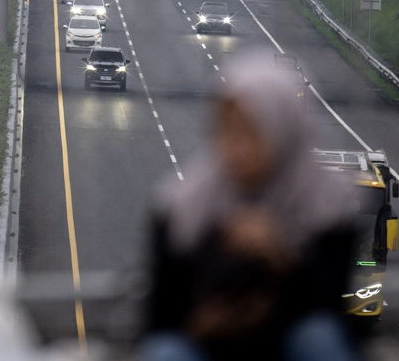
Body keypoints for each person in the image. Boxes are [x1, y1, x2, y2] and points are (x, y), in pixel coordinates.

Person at [141, 50, 361, 361]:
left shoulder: (329, 205)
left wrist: (280, 254)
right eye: (226, 130)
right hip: (207, 344)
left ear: (285, 132)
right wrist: (206, 318)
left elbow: (336, 311)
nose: (235, 148)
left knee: (318, 338)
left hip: (288, 341)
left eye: (251, 133)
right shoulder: (183, 205)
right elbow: (160, 318)